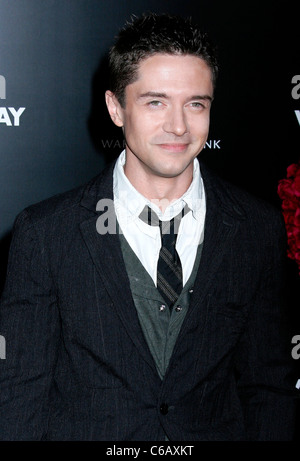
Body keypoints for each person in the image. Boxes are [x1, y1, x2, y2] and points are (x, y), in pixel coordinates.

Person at [0, 13, 297, 441]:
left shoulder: (255, 227)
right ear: (116, 108)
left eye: (196, 104)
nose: (178, 126)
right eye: (155, 102)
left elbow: (268, 387)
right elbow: (19, 396)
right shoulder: (46, 233)